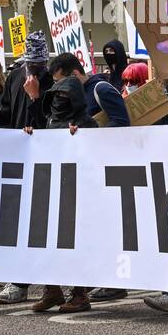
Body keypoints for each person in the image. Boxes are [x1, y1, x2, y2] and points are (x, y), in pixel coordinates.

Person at [28, 54, 101, 314]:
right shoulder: (51, 121)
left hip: (77, 195)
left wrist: (78, 139)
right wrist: (31, 134)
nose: (59, 101)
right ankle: (52, 290)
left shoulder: (86, 123)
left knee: (75, 245)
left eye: (64, 97)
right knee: (48, 242)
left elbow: (94, 159)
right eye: (55, 97)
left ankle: (79, 294)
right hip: (52, 189)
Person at [0, 32, 53, 305]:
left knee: (41, 222)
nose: (34, 69)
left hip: (45, 159)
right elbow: (6, 111)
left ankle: (32, 281)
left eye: (38, 65)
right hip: (17, 156)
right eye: (31, 64)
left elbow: (51, 120)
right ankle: (19, 278)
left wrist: (35, 98)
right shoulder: (15, 77)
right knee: (17, 221)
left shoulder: (51, 80)